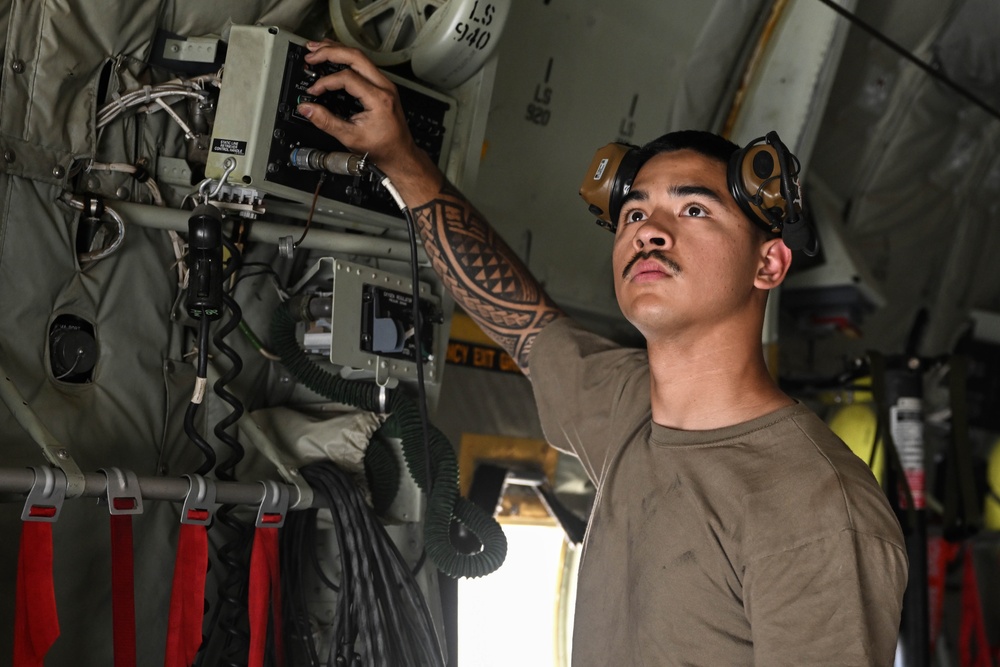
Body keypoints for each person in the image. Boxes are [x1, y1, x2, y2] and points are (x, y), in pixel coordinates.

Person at [297, 40, 908, 666]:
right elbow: (522, 324)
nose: (648, 229)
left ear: (769, 262)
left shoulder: (815, 510)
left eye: (693, 208)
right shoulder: (625, 409)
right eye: (634, 212)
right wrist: (400, 159)